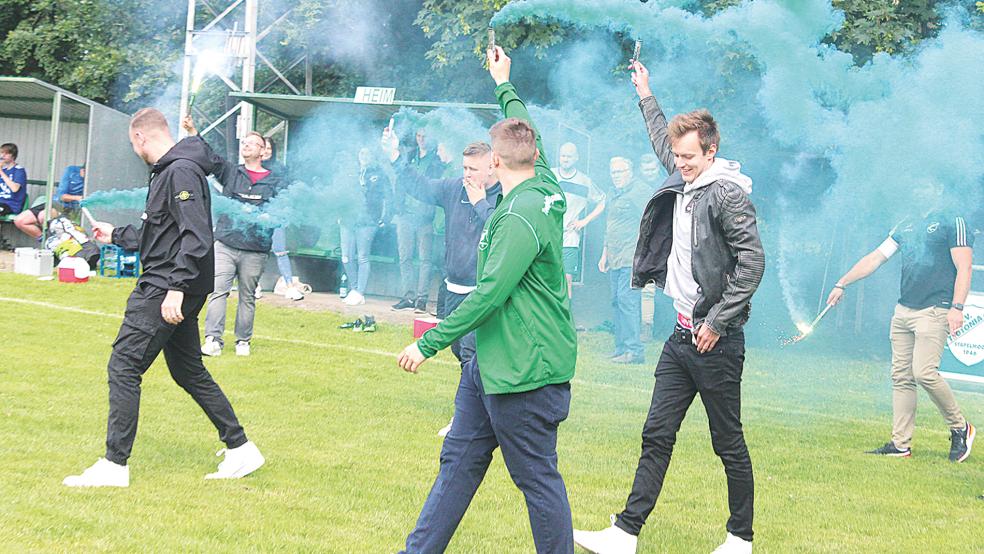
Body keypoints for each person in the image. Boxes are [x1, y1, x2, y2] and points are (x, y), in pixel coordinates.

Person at [574, 60, 764, 554]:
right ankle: (624, 533)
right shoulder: (685, 174)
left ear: (712, 151)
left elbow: (752, 262)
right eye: (677, 156)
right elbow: (661, 139)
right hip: (679, 339)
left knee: (728, 443)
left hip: (716, 343)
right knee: (656, 434)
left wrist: (719, 323)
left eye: (689, 156)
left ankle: (740, 539)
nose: (680, 163)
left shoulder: (726, 195)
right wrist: (645, 93)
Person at [396, 46, 576, 553]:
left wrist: (428, 343)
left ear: (494, 162)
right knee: (457, 464)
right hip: (487, 364)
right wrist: (504, 82)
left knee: (537, 481)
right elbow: (522, 124)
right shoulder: (544, 180)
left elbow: (491, 294)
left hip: (525, 372)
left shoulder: (520, 217)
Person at [63, 108, 263, 488]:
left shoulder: (180, 171)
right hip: (173, 283)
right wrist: (116, 234)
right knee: (188, 371)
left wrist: (177, 288)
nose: (134, 148)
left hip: (165, 287)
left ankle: (114, 465)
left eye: (132, 142)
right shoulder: (171, 171)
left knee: (123, 366)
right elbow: (159, 234)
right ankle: (241, 449)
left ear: (141, 137)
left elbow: (196, 235)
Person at [826, 181, 975, 462]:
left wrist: (957, 307)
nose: (918, 190)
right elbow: (875, 258)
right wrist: (842, 282)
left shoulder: (953, 221)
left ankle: (960, 428)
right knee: (901, 377)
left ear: (939, 189)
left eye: (925, 185)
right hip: (904, 310)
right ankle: (900, 444)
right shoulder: (906, 224)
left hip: (936, 309)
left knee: (924, 373)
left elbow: (964, 267)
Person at [383, 134, 502, 435]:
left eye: (474, 169)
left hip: (482, 293)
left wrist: (480, 204)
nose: (467, 175)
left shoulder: (504, 197)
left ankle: (465, 420)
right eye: (465, 168)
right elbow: (420, 187)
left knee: (471, 356)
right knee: (459, 350)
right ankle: (485, 411)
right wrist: (398, 158)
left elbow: (502, 235)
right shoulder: (453, 188)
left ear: (492, 168)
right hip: (451, 288)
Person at [182, 117, 287, 358]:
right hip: (226, 244)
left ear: (263, 151)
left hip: (256, 248)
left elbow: (282, 210)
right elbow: (207, 155)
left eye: (252, 143)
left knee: (247, 296)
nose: (246, 145)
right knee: (218, 290)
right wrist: (193, 132)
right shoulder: (231, 172)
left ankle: (243, 342)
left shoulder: (277, 181)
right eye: (245, 142)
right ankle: (213, 340)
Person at [598, 157, 650, 365]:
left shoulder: (640, 191)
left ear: (630, 172)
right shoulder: (614, 193)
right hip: (615, 257)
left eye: (620, 172)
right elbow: (610, 225)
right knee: (617, 301)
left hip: (632, 257)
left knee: (628, 302)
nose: (616, 176)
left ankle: (634, 351)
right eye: (613, 172)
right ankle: (621, 348)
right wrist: (605, 253)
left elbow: (652, 220)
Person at [391, 129, 445, 313]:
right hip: (405, 215)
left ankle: (421, 299)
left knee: (425, 259)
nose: (421, 139)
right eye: (419, 135)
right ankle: (408, 296)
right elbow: (400, 180)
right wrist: (398, 208)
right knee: (404, 257)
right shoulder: (409, 157)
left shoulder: (437, 161)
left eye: (425, 135)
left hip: (424, 217)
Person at [551, 142, 605, 298]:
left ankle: (565, 318)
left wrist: (585, 221)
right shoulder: (550, 175)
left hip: (570, 238)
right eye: (563, 155)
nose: (565, 159)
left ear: (576, 158)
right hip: (549, 236)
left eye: (569, 156)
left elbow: (602, 201)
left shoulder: (584, 181)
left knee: (567, 280)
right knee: (549, 279)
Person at [339, 146, 390, 306]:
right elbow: (341, 193)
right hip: (348, 218)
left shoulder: (380, 174)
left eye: (368, 153)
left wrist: (385, 217)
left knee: (362, 256)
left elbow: (388, 195)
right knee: (346, 256)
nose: (364, 156)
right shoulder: (350, 172)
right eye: (361, 153)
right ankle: (353, 289)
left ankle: (360, 292)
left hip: (368, 220)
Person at [262, 136, 304, 301]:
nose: (266, 152)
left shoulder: (280, 169)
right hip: (257, 216)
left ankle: (289, 286)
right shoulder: (252, 168)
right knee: (256, 252)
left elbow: (287, 192)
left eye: (269, 149)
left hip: (276, 215)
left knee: (280, 250)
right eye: (264, 148)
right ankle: (254, 285)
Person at [14, 164, 85, 239]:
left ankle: (52, 242)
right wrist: (78, 197)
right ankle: (46, 241)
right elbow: (62, 196)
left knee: (43, 216)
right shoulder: (71, 170)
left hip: (73, 209)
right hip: (57, 204)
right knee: (20, 220)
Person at [0, 142, 27, 217]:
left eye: (6, 153)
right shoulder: (3, 170)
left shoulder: (19, 170)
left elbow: (15, 188)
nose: (2, 156)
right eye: (2, 153)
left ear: (13, 155)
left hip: (11, 204)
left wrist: (1, 172)